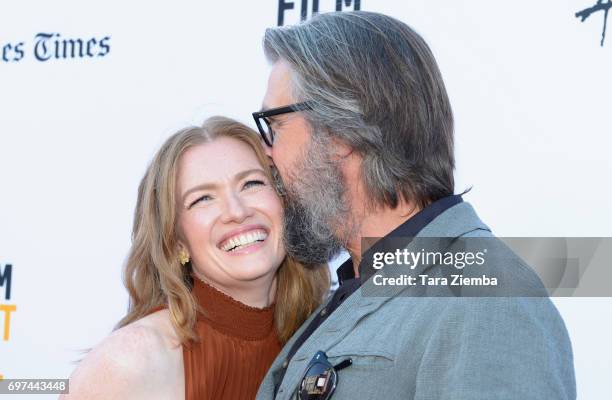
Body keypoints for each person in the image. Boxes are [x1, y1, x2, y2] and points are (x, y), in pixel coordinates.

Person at [253, 11, 576, 400]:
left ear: (339, 133)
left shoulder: (487, 302)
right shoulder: (363, 286)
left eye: (275, 126)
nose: (267, 153)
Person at [62, 117, 329, 399]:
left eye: (251, 183)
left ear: (285, 200)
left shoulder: (322, 335)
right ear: (176, 242)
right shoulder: (132, 360)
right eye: (203, 199)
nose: (237, 211)